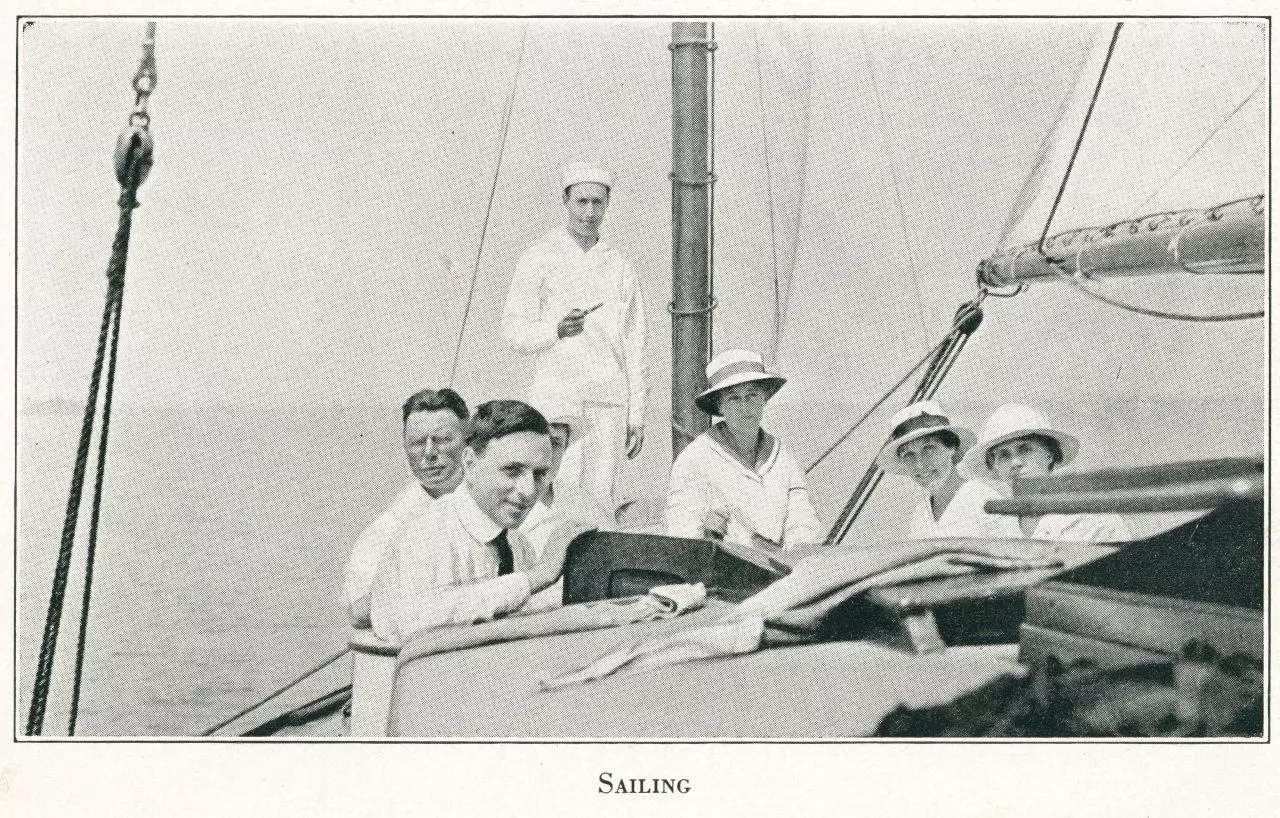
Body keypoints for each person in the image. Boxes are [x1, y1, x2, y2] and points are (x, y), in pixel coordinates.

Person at [368, 400, 592, 643]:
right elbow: (413, 624)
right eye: (512, 470)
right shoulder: (426, 534)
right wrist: (534, 578)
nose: (528, 491)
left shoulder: (518, 545)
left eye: (539, 474)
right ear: (470, 464)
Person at [501, 162, 648, 513]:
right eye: (581, 202)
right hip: (556, 401)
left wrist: (637, 415)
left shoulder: (620, 266)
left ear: (608, 204)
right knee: (549, 501)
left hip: (607, 405)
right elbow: (513, 331)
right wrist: (555, 330)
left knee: (597, 505)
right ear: (565, 201)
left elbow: (636, 343)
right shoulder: (539, 257)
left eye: (598, 203)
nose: (589, 212)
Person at [666, 349, 822, 551]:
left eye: (752, 395)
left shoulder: (784, 457)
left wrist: (800, 548)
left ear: (764, 399)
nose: (744, 407)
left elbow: (801, 518)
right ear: (719, 406)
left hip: (778, 569)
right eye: (733, 398)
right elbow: (680, 535)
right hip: (723, 573)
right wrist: (706, 533)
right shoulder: (694, 460)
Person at [342, 388, 468, 628]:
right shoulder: (389, 528)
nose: (430, 453)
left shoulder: (498, 505)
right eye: (418, 442)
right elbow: (359, 611)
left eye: (443, 439)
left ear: (468, 443)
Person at [960, 403, 1132, 542]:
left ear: (1049, 454)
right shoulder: (991, 525)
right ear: (995, 466)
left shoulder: (1093, 518)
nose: (1015, 463)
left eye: (1025, 449)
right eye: (1004, 455)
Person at [876, 400, 1019, 541]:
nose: (919, 464)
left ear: (951, 447)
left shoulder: (984, 500)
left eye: (929, 449)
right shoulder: (920, 515)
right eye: (908, 455)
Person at [520, 407, 613, 610]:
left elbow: (615, 557)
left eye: (555, 444)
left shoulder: (583, 501)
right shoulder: (502, 504)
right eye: (538, 442)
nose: (547, 455)